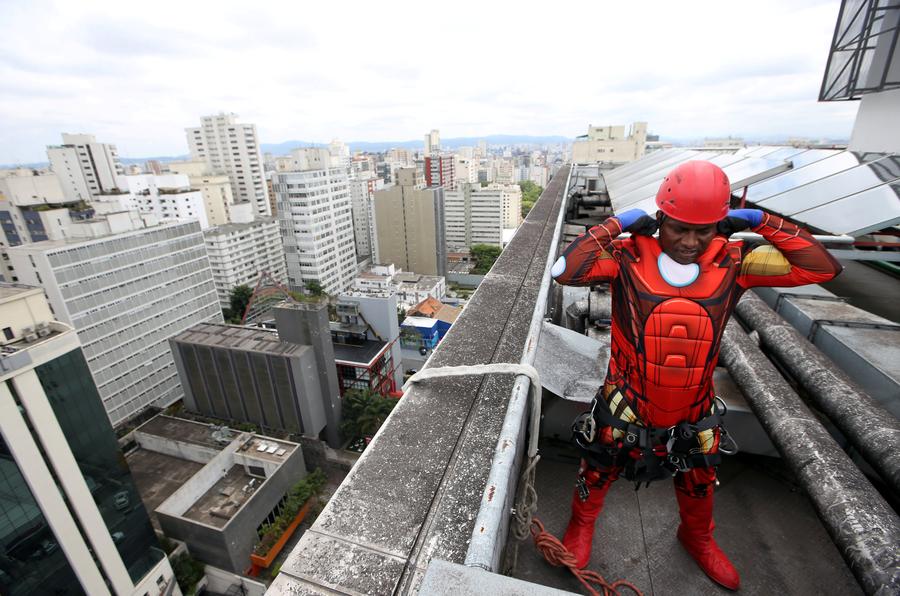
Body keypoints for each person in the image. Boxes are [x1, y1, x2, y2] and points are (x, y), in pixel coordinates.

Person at [550, 160, 842, 590]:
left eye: (702, 230)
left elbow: (822, 268)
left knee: (699, 476)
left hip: (695, 406)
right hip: (626, 401)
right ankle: (580, 527)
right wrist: (619, 223)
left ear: (720, 226)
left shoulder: (736, 260)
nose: (689, 242)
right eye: (678, 228)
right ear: (660, 219)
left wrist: (761, 221)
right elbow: (565, 270)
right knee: (598, 465)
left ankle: (698, 538)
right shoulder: (628, 256)